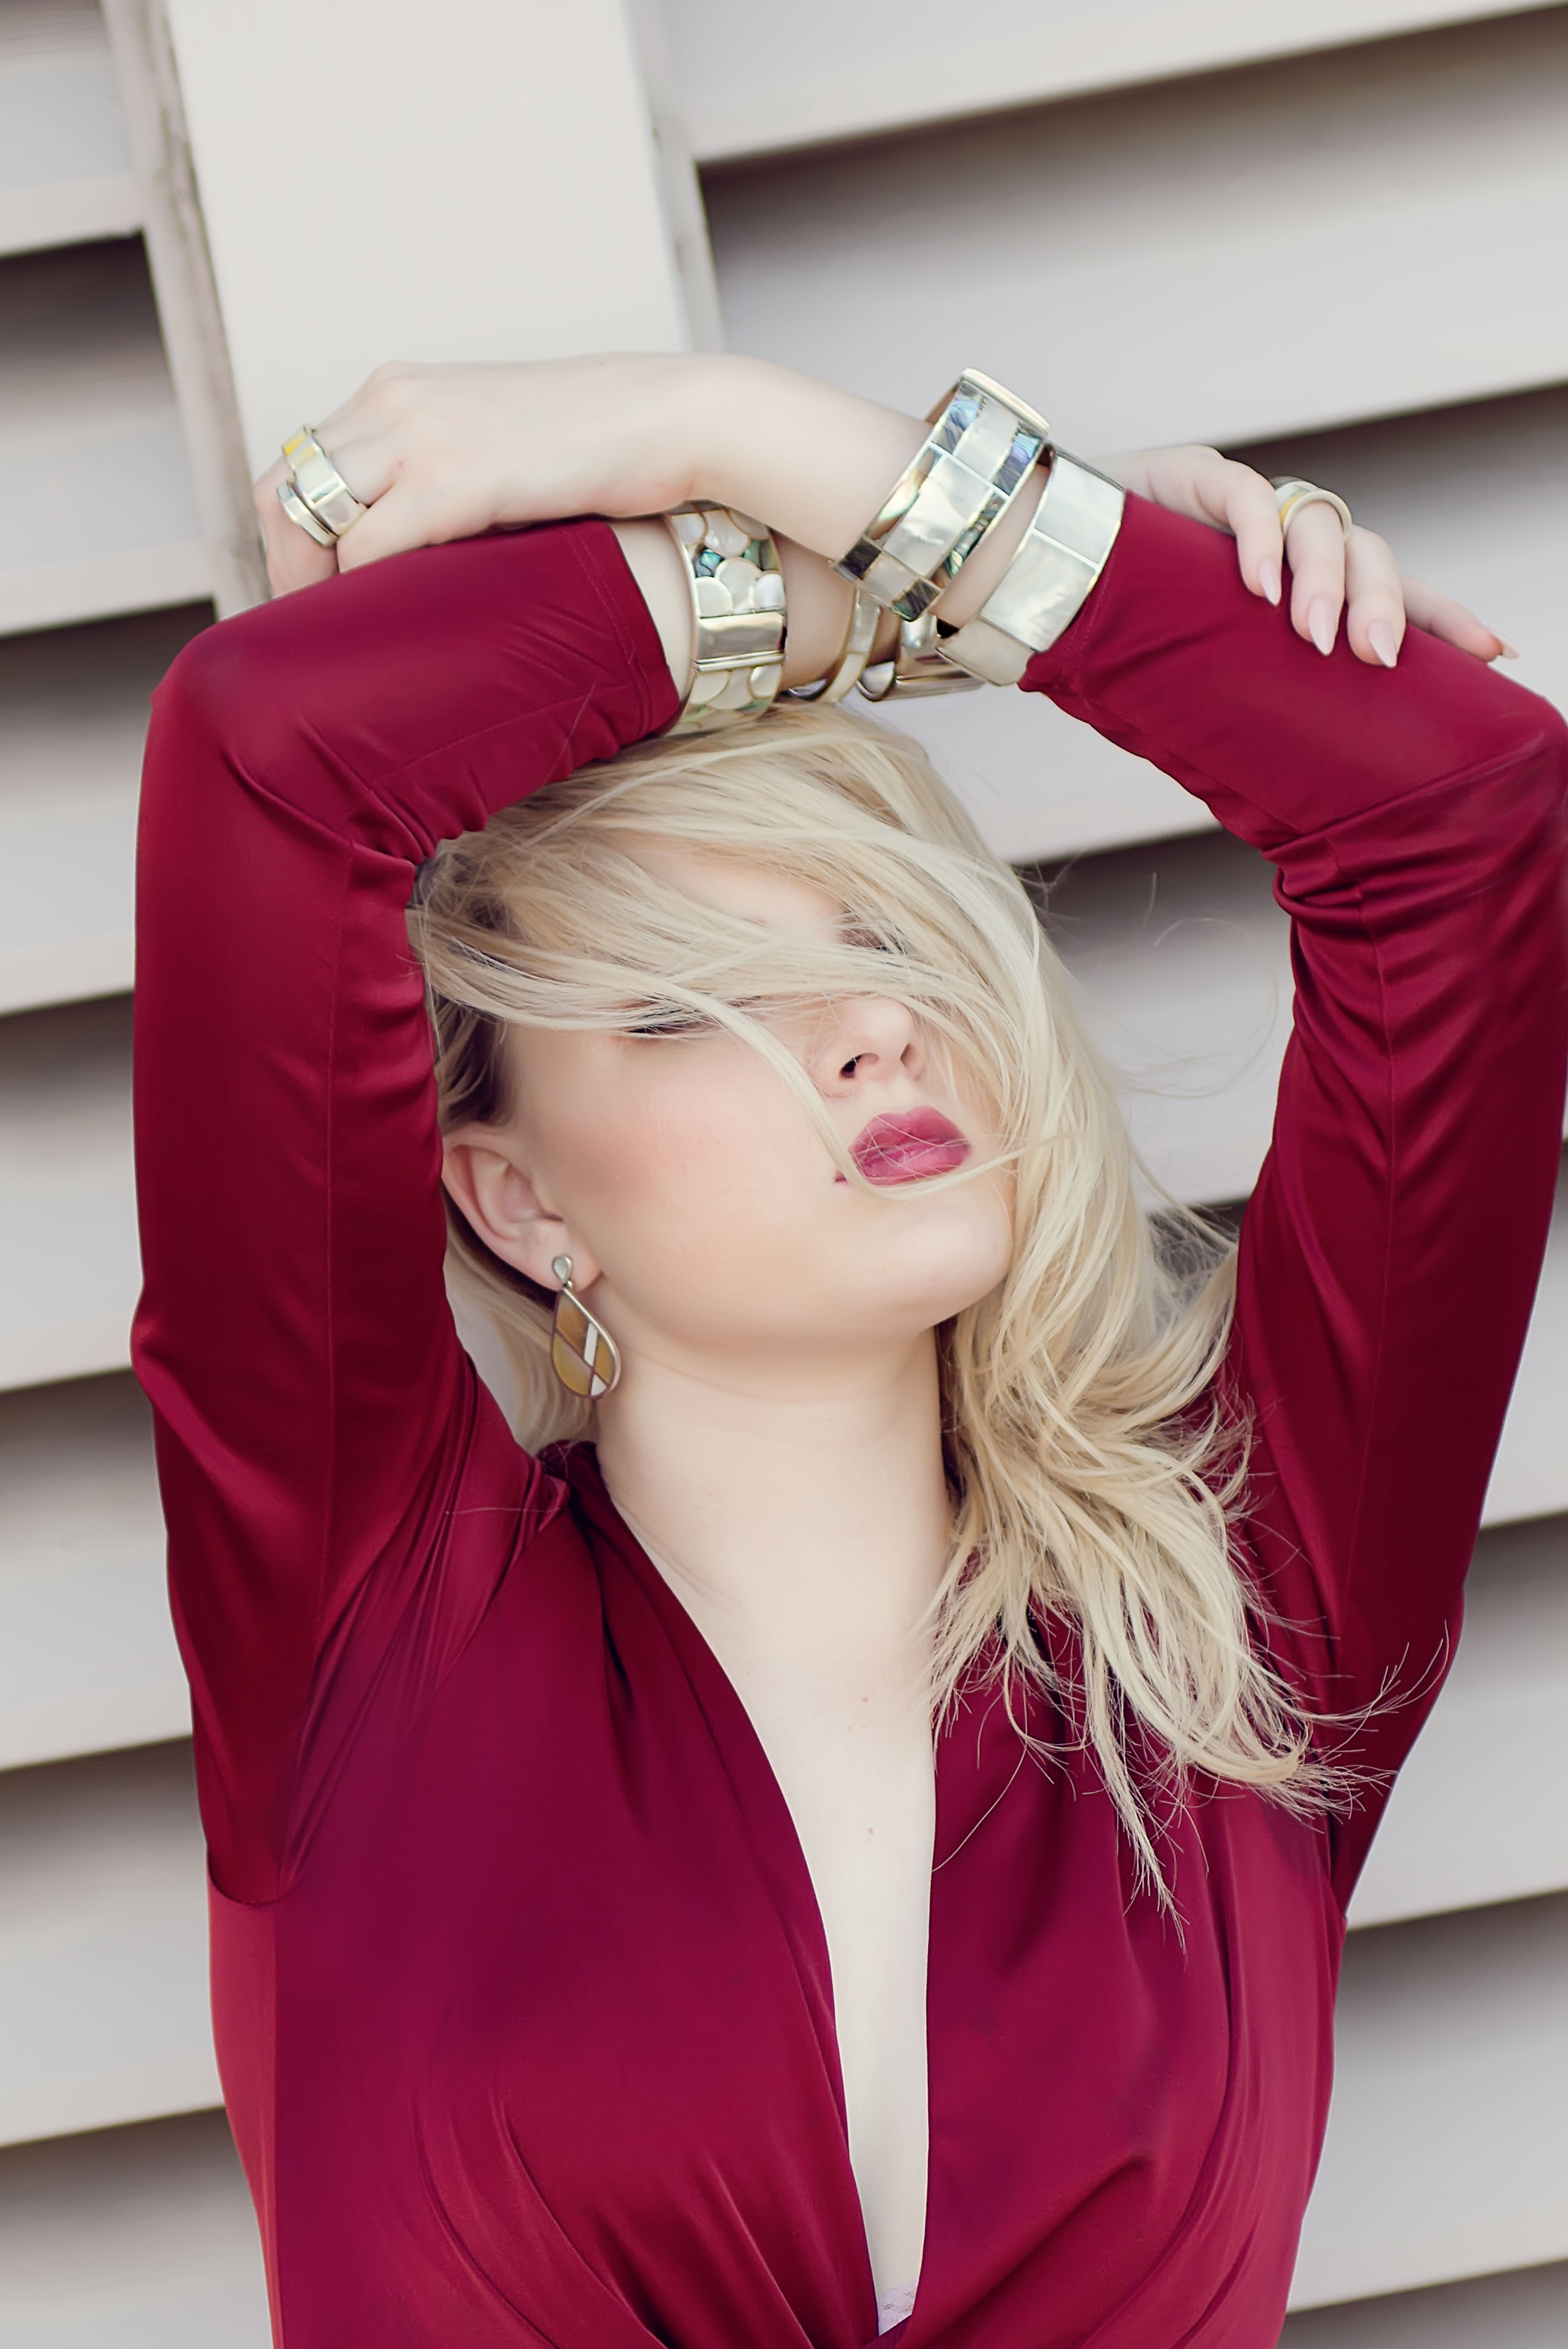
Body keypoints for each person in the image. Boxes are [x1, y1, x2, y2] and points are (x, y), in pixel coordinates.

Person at [132, 354, 1567, 2349]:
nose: (870, 1030)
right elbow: (270, 753)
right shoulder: (361, 1638)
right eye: (685, 1005)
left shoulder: (1235, 1637)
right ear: (519, 1202)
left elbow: (1456, 806)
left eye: (882, 942)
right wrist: (901, 601)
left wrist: (746, 430)